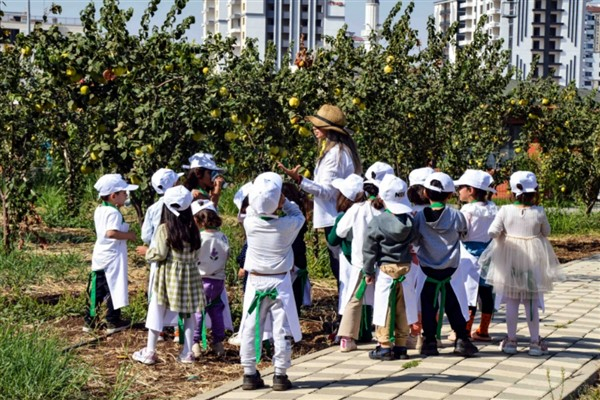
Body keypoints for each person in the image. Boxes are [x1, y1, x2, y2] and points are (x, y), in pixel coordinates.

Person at [481, 171, 564, 356]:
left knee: (511, 301)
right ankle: (535, 342)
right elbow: (547, 232)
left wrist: (503, 235)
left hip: (510, 258)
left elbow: (492, 232)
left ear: (511, 191)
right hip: (533, 259)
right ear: (534, 191)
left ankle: (511, 341)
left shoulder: (505, 210)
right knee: (531, 300)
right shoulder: (539, 211)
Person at [279, 104, 362, 287]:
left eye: (318, 126)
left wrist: (299, 180)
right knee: (343, 267)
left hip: (334, 216)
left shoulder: (335, 155)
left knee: (340, 268)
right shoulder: (341, 151)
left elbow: (326, 191)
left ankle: (346, 312)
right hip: (338, 213)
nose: (314, 128)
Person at [240, 172, 305, 391]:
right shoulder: (288, 225)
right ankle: (280, 373)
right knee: (281, 328)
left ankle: (249, 372)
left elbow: (251, 208)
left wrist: (265, 200)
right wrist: (284, 200)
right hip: (280, 282)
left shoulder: (250, 223)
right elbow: (299, 214)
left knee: (250, 327)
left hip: (256, 280)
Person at [133, 186, 205, 365]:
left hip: (168, 275)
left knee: (156, 310)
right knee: (188, 313)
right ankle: (187, 352)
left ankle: (150, 351)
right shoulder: (193, 228)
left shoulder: (165, 229)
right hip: (190, 274)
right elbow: (196, 254)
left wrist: (146, 252)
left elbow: (158, 254)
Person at [413, 172, 479, 357]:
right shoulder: (457, 216)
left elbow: (416, 240)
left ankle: (430, 341)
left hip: (427, 269)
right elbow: (464, 234)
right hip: (451, 269)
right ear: (450, 195)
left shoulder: (419, 217)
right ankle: (461, 340)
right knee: (453, 303)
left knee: (428, 305)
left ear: (425, 193)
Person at [335, 163, 391, 352]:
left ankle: (346, 338)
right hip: (385, 261)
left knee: (354, 299)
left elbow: (341, 231)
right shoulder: (391, 210)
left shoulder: (357, 209)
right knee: (385, 299)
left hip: (360, 261)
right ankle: (384, 337)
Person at [363, 175, 416, 361]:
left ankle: (385, 346)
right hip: (406, 269)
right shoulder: (411, 221)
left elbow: (369, 249)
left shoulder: (377, 222)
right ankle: (401, 346)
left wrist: (368, 271)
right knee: (403, 308)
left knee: (384, 307)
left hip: (386, 268)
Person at [84, 174, 138, 334]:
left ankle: (90, 321)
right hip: (112, 256)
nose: (126, 196)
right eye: (123, 193)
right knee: (113, 287)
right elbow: (110, 233)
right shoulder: (114, 213)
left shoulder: (100, 209)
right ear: (114, 196)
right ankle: (113, 321)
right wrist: (130, 236)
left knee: (97, 288)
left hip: (101, 254)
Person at [451, 169, 498, 342]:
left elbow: (462, 232)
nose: (458, 191)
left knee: (468, 292)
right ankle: (483, 329)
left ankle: (465, 329)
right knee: (486, 292)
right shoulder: (493, 209)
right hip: (489, 254)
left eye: (461, 187)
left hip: (468, 255)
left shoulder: (467, 211)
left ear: (470, 190)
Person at [140, 168, 182, 340]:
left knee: (157, 293)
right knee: (178, 291)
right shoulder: (182, 205)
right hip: (178, 256)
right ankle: (178, 330)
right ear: (173, 185)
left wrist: (153, 246)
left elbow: (145, 235)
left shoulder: (153, 208)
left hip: (157, 257)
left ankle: (158, 330)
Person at [191, 200, 232, 358]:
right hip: (218, 280)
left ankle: (195, 343)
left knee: (198, 311)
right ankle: (218, 342)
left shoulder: (199, 238)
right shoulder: (223, 237)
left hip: (201, 279)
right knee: (216, 311)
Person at [326, 173, 366, 327]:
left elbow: (333, 239)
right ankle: (364, 328)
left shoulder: (343, 216)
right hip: (367, 260)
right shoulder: (368, 210)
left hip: (349, 260)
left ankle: (345, 328)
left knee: (348, 293)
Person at [405, 166, 434, 349]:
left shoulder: (408, 212)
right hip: (434, 261)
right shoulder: (439, 212)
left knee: (411, 297)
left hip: (412, 261)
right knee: (432, 299)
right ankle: (432, 334)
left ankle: (414, 335)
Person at [281, 182, 311, 316]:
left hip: (292, 255)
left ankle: (290, 324)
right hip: (299, 254)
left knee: (289, 291)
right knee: (296, 290)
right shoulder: (299, 213)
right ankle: (295, 320)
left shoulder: (287, 218)